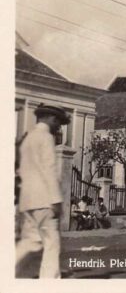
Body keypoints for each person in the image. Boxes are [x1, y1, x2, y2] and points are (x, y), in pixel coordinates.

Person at [16, 104, 70, 279]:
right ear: (52, 118)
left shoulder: (28, 139)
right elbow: (49, 169)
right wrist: (56, 200)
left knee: (31, 241)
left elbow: (21, 171)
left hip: (27, 200)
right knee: (51, 244)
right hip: (45, 200)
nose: (59, 127)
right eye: (59, 122)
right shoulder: (46, 137)